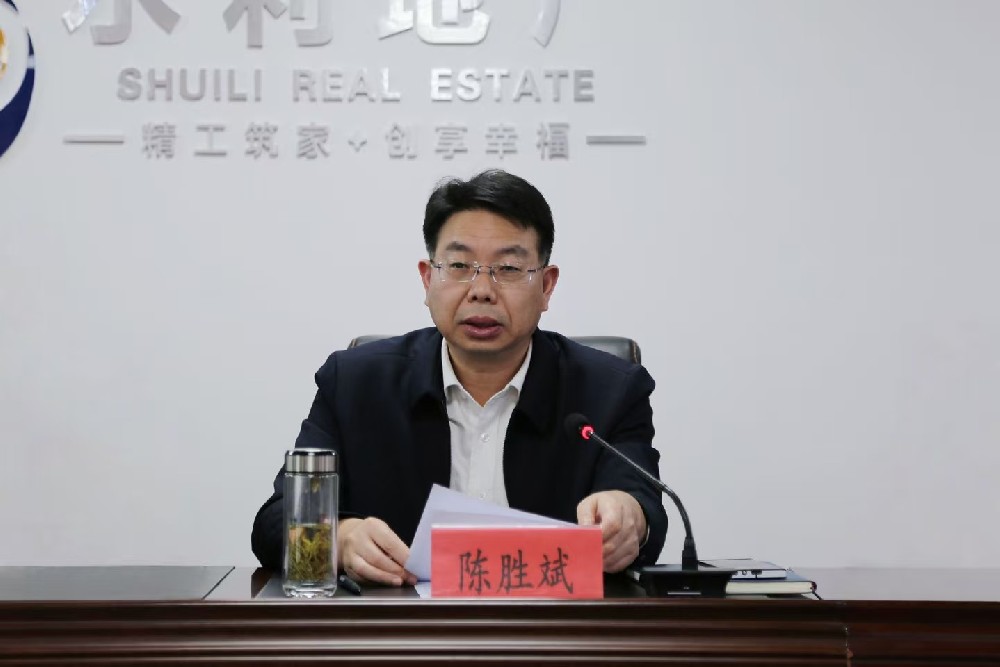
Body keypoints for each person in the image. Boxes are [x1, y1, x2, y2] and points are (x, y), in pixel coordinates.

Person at [251, 169, 667, 585]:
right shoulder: (354, 385)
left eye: (508, 268)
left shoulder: (610, 391)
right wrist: (341, 538)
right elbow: (276, 520)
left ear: (546, 286)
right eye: (459, 266)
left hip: (551, 623)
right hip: (401, 623)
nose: (481, 290)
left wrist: (629, 517)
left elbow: (643, 507)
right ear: (427, 278)